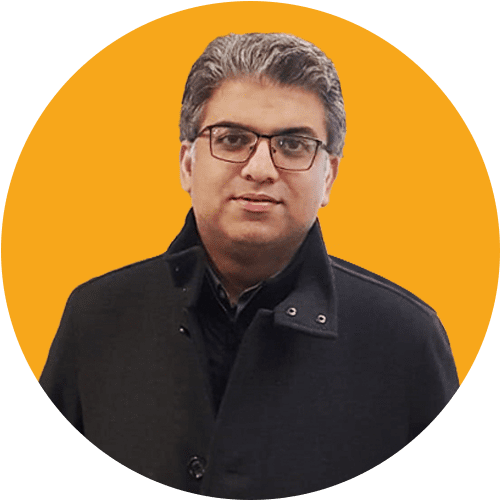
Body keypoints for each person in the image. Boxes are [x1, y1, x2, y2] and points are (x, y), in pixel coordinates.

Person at [39, 33, 459, 499]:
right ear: (187, 163)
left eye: (293, 144)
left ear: (328, 176)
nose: (260, 169)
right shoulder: (96, 317)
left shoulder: (405, 338)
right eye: (233, 139)